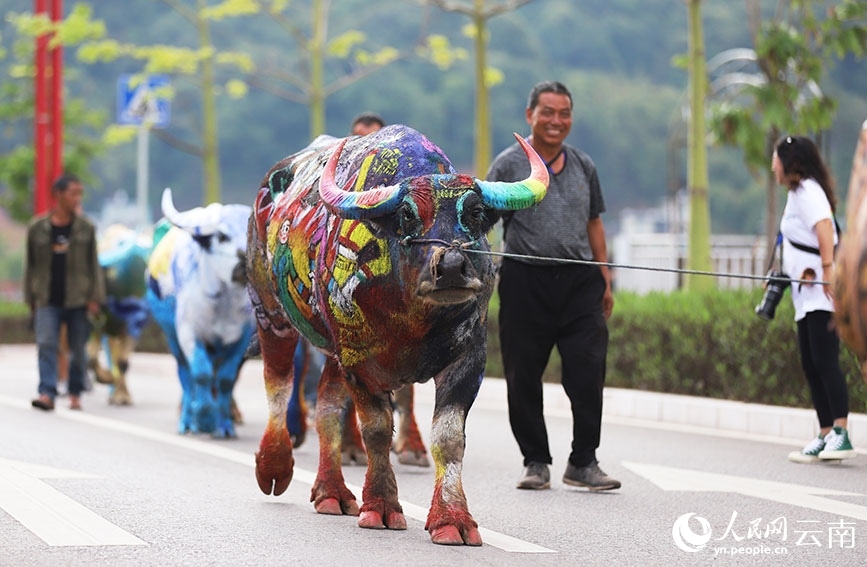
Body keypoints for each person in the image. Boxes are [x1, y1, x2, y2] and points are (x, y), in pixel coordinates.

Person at [486, 80, 620, 491]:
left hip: (580, 282)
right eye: (548, 112)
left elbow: (594, 221)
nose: (556, 121)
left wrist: (605, 276)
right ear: (530, 116)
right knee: (523, 374)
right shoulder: (509, 165)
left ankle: (583, 462)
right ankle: (536, 461)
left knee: (588, 368)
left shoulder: (583, 165)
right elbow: (484, 219)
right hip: (525, 279)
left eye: (564, 114)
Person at [773, 136, 856, 463]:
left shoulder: (808, 191)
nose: (772, 166)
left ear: (790, 162)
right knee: (810, 362)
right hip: (804, 294)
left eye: (776, 159)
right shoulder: (797, 194)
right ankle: (824, 432)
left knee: (825, 360)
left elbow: (824, 228)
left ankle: (841, 432)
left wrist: (827, 270)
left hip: (822, 290)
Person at [23, 174, 105, 411]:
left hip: (79, 298)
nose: (77, 198)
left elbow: (94, 264)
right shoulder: (37, 228)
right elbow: (30, 266)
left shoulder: (86, 228)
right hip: (47, 297)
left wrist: (95, 297)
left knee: (78, 349)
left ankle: (75, 392)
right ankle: (47, 392)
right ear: (58, 195)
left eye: (80, 193)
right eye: (73, 193)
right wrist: (31, 297)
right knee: (46, 343)